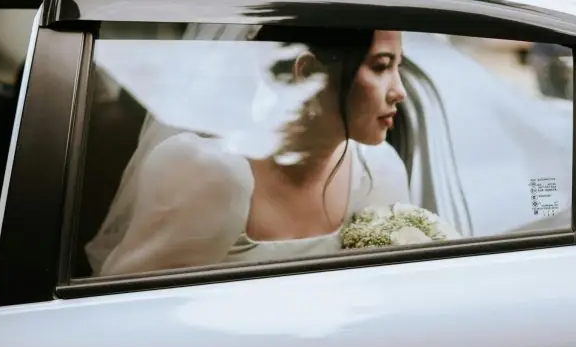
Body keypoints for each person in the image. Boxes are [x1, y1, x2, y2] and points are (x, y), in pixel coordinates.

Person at [86, 26, 413, 277]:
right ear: (308, 72)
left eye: (399, 66)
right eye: (381, 66)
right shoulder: (207, 173)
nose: (399, 91)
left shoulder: (379, 172)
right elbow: (129, 320)